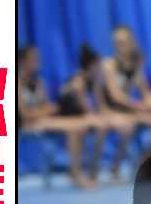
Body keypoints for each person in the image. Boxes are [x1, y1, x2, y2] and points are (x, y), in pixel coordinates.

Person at [101, 26, 151, 175]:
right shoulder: (108, 64)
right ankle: (118, 166)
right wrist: (141, 106)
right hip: (112, 110)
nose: (120, 46)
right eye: (117, 43)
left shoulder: (136, 63)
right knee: (134, 125)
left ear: (132, 42)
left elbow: (145, 93)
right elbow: (116, 96)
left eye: (123, 42)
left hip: (131, 109)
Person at [17, 44, 97, 187]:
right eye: (33, 59)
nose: (38, 62)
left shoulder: (39, 82)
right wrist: (42, 111)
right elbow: (25, 114)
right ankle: (75, 173)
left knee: (81, 125)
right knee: (73, 129)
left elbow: (50, 107)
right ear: (22, 62)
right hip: (27, 125)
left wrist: (41, 111)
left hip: (43, 120)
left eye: (38, 58)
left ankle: (78, 169)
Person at [58, 44, 136, 181]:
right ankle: (91, 170)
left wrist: (116, 117)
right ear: (91, 65)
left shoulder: (95, 82)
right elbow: (88, 111)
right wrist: (106, 120)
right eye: (98, 65)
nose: (101, 68)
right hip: (69, 118)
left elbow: (102, 108)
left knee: (127, 126)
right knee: (101, 127)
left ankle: (115, 167)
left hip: (87, 117)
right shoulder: (78, 82)